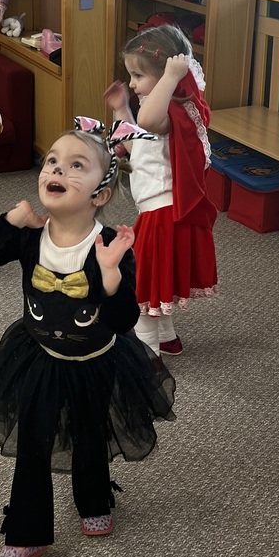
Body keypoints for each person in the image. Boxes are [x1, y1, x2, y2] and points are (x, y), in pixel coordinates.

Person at [0, 120, 175, 557]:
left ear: (100, 194)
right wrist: (10, 220)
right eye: (52, 161)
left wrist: (111, 273)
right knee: (32, 444)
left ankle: (95, 500)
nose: (56, 169)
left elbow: (124, 321)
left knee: (90, 433)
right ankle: (25, 534)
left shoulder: (110, 246)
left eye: (77, 165)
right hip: (40, 358)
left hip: (96, 361)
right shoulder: (28, 236)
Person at [102, 23, 217, 357]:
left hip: (163, 215)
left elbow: (148, 123)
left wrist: (168, 78)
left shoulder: (173, 112)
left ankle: (146, 357)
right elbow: (136, 145)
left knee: (140, 286)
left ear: (169, 74)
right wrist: (121, 109)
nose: (132, 84)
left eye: (138, 76)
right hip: (157, 212)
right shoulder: (161, 109)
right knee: (155, 281)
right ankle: (166, 337)